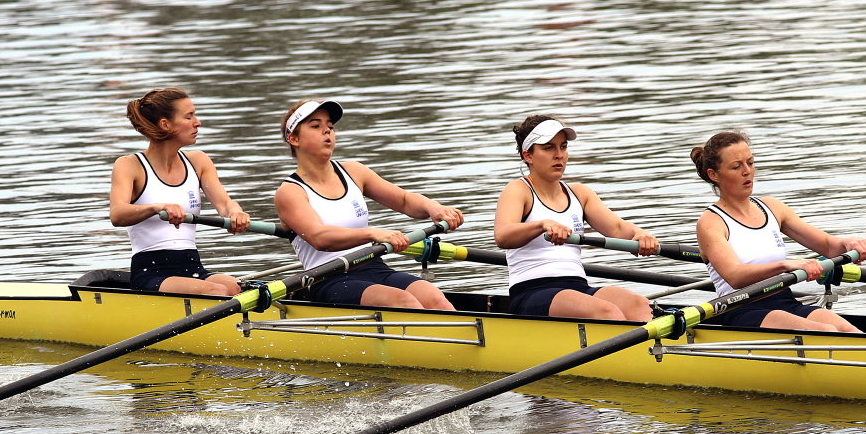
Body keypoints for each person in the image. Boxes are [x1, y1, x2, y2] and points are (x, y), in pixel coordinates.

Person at [273, 99, 464, 310]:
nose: (327, 131)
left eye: (330, 126)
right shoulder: (290, 192)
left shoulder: (354, 171)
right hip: (328, 279)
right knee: (403, 301)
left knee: (433, 296)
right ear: (294, 139)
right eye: (316, 126)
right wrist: (373, 233)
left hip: (374, 267)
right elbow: (320, 238)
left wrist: (434, 207)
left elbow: (403, 200)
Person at [690, 130, 866, 331]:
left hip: (785, 302)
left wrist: (849, 243)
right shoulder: (711, 222)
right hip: (741, 310)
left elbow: (829, 246)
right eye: (736, 166)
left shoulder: (772, 207)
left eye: (750, 163)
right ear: (714, 175)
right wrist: (786, 265)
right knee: (826, 331)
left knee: (850, 331)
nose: (747, 171)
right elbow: (735, 275)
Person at [493, 115, 662, 320]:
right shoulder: (518, 190)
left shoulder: (580, 193)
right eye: (548, 148)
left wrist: (640, 234)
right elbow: (503, 236)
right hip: (532, 292)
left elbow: (617, 228)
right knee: (607, 312)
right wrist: (542, 225)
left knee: (641, 306)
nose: (559, 155)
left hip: (578, 287)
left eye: (563, 147)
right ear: (528, 155)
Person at [108, 87, 251, 295]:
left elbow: (224, 204)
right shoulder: (129, 165)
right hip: (151, 273)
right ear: (165, 124)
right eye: (189, 116)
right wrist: (156, 208)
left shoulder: (199, 161)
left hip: (193, 267)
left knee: (239, 289)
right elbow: (117, 214)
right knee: (217, 291)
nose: (197, 122)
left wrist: (236, 212)